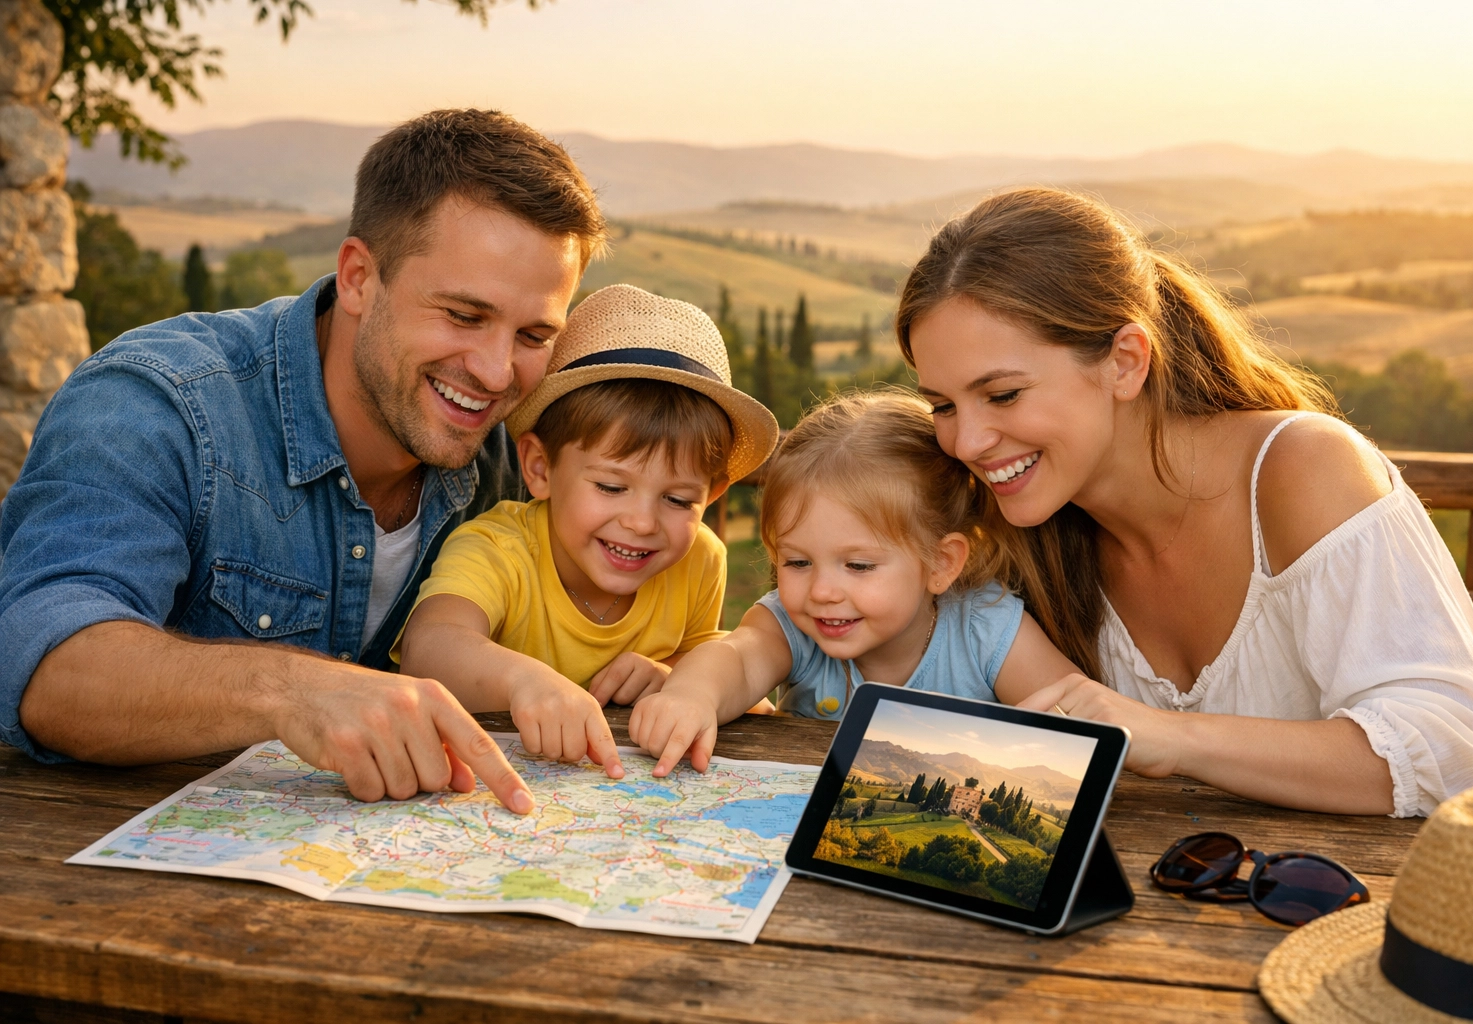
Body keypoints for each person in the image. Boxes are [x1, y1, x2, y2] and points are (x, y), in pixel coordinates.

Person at [0, 109, 607, 813]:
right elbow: (40, 661)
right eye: (464, 316)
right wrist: (291, 692)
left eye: (534, 334)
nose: (498, 372)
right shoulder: (158, 402)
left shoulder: (513, 459)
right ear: (357, 278)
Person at [899, 186, 1473, 817]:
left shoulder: (1302, 470)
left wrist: (1168, 736)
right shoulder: (1021, 531)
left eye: (1004, 394)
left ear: (1125, 361)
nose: (968, 441)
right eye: (944, 406)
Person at [395, 285, 778, 778]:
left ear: (714, 495)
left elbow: (703, 655)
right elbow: (430, 648)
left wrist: (674, 676)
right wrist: (523, 682)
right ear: (539, 468)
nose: (642, 523)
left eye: (678, 500)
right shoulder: (497, 548)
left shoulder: (699, 558)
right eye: (611, 486)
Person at [630, 391, 1079, 776]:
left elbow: (1075, 723)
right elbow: (737, 658)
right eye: (798, 561)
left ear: (941, 563)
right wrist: (692, 695)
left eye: (859, 566)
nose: (822, 591)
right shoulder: (793, 626)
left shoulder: (985, 630)